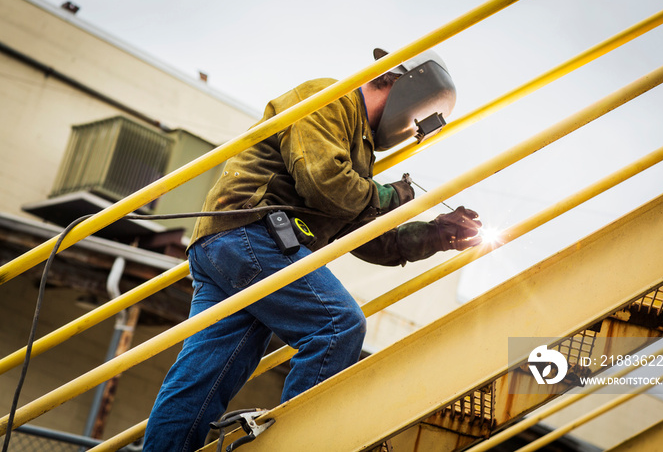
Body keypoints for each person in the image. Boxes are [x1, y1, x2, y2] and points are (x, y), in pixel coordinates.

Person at [143, 48, 483, 451]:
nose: (414, 131)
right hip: (252, 235)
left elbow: (367, 235)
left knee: (202, 380)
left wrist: (436, 234)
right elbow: (325, 182)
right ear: (405, 88)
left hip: (237, 246)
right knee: (338, 324)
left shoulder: (359, 149)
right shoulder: (330, 99)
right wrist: (394, 195)